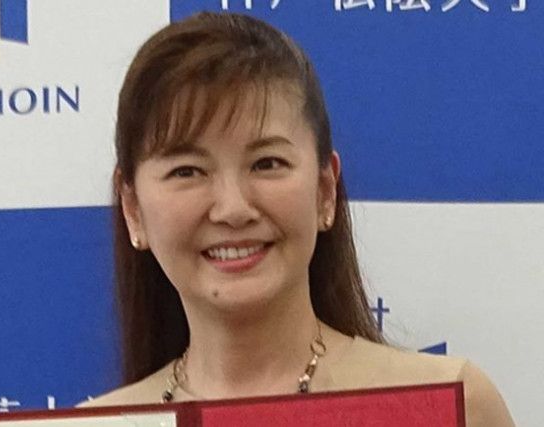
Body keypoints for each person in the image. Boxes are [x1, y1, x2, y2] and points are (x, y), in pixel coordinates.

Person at [79, 12, 514, 426]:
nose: (233, 209)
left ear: (325, 190)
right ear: (133, 209)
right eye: (187, 171)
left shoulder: (452, 404)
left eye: (267, 163)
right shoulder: (99, 423)